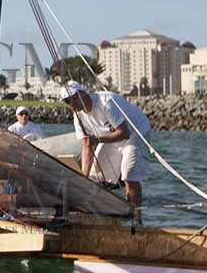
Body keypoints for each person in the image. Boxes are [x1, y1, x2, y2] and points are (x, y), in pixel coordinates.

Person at [59, 80, 151, 208]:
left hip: (135, 132)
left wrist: (97, 140)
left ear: (84, 93)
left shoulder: (106, 103)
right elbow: (87, 146)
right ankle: (105, 213)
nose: (73, 103)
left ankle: (136, 218)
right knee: (95, 177)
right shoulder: (78, 116)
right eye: (68, 101)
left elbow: (124, 133)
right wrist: (83, 177)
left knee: (129, 175)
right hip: (110, 136)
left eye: (75, 98)